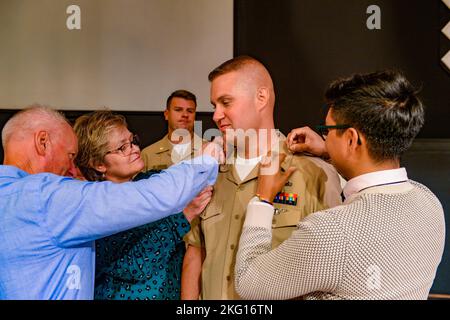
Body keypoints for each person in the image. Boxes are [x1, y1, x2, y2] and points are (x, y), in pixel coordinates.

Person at [235, 70, 446, 300]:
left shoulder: (332, 232)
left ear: (352, 139)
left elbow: (248, 282)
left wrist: (263, 200)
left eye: (327, 131)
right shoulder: (429, 203)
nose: (324, 137)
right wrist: (333, 152)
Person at [0, 105, 218, 300]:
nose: (73, 170)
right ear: (42, 142)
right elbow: (150, 196)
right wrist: (205, 162)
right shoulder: (46, 197)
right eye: (70, 155)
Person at [181, 56, 342, 300]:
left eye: (226, 102)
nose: (216, 115)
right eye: (214, 105)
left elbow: (331, 269)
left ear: (261, 98)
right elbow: (195, 254)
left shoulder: (312, 172)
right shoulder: (211, 171)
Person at [73, 110, 213, 300]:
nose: (135, 149)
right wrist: (185, 216)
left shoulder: (152, 180)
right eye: (122, 148)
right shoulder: (96, 206)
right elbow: (135, 265)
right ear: (98, 164)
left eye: (133, 141)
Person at [141, 90, 204, 171]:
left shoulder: (210, 150)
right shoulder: (148, 154)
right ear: (167, 114)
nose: (185, 115)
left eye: (190, 111)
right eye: (178, 110)